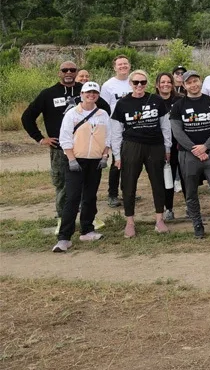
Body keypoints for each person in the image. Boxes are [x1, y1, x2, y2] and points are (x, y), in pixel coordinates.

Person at [170, 70, 210, 238]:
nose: (193, 85)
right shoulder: (178, 106)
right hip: (188, 155)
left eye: (195, 81)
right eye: (189, 82)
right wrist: (195, 149)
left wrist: (205, 147)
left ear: (201, 81)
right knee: (190, 192)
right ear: (183, 85)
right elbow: (177, 132)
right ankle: (197, 224)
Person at [109, 69, 171, 239]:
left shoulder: (157, 100)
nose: (139, 86)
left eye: (142, 82)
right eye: (135, 82)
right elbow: (116, 131)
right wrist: (117, 156)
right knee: (128, 184)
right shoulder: (122, 104)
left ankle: (159, 219)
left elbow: (165, 126)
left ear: (147, 84)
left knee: (158, 183)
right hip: (132, 145)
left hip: (155, 145)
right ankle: (130, 222)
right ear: (130, 84)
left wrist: (167, 148)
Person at [21, 59, 81, 230]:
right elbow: (27, 117)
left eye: (72, 70)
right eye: (65, 70)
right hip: (59, 149)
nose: (68, 73)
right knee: (62, 185)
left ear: (76, 72)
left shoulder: (85, 91)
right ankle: (62, 220)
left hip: (84, 148)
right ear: (59, 73)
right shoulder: (48, 94)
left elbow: (104, 111)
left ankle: (87, 217)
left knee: (85, 184)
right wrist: (40, 138)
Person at [52, 81, 111, 252]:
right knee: (72, 198)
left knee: (90, 197)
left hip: (95, 161)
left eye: (94, 93)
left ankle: (87, 229)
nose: (91, 95)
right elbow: (65, 138)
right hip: (76, 160)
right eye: (88, 92)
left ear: (98, 96)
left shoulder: (103, 115)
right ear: (82, 94)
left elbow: (107, 137)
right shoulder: (72, 114)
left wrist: (105, 155)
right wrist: (71, 159)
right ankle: (64, 237)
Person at [100, 55, 132, 207]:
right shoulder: (108, 85)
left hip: (133, 126)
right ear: (115, 67)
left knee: (132, 161)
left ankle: (128, 191)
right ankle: (112, 194)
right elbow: (104, 109)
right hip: (115, 127)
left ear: (129, 66)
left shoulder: (134, 81)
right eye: (120, 64)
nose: (123, 66)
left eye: (125, 64)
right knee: (117, 161)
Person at [153, 71, 180, 222]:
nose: (166, 84)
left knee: (186, 177)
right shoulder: (152, 101)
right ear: (157, 85)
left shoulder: (180, 100)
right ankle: (168, 208)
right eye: (162, 82)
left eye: (168, 82)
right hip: (161, 145)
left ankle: (191, 206)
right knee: (166, 178)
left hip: (180, 144)